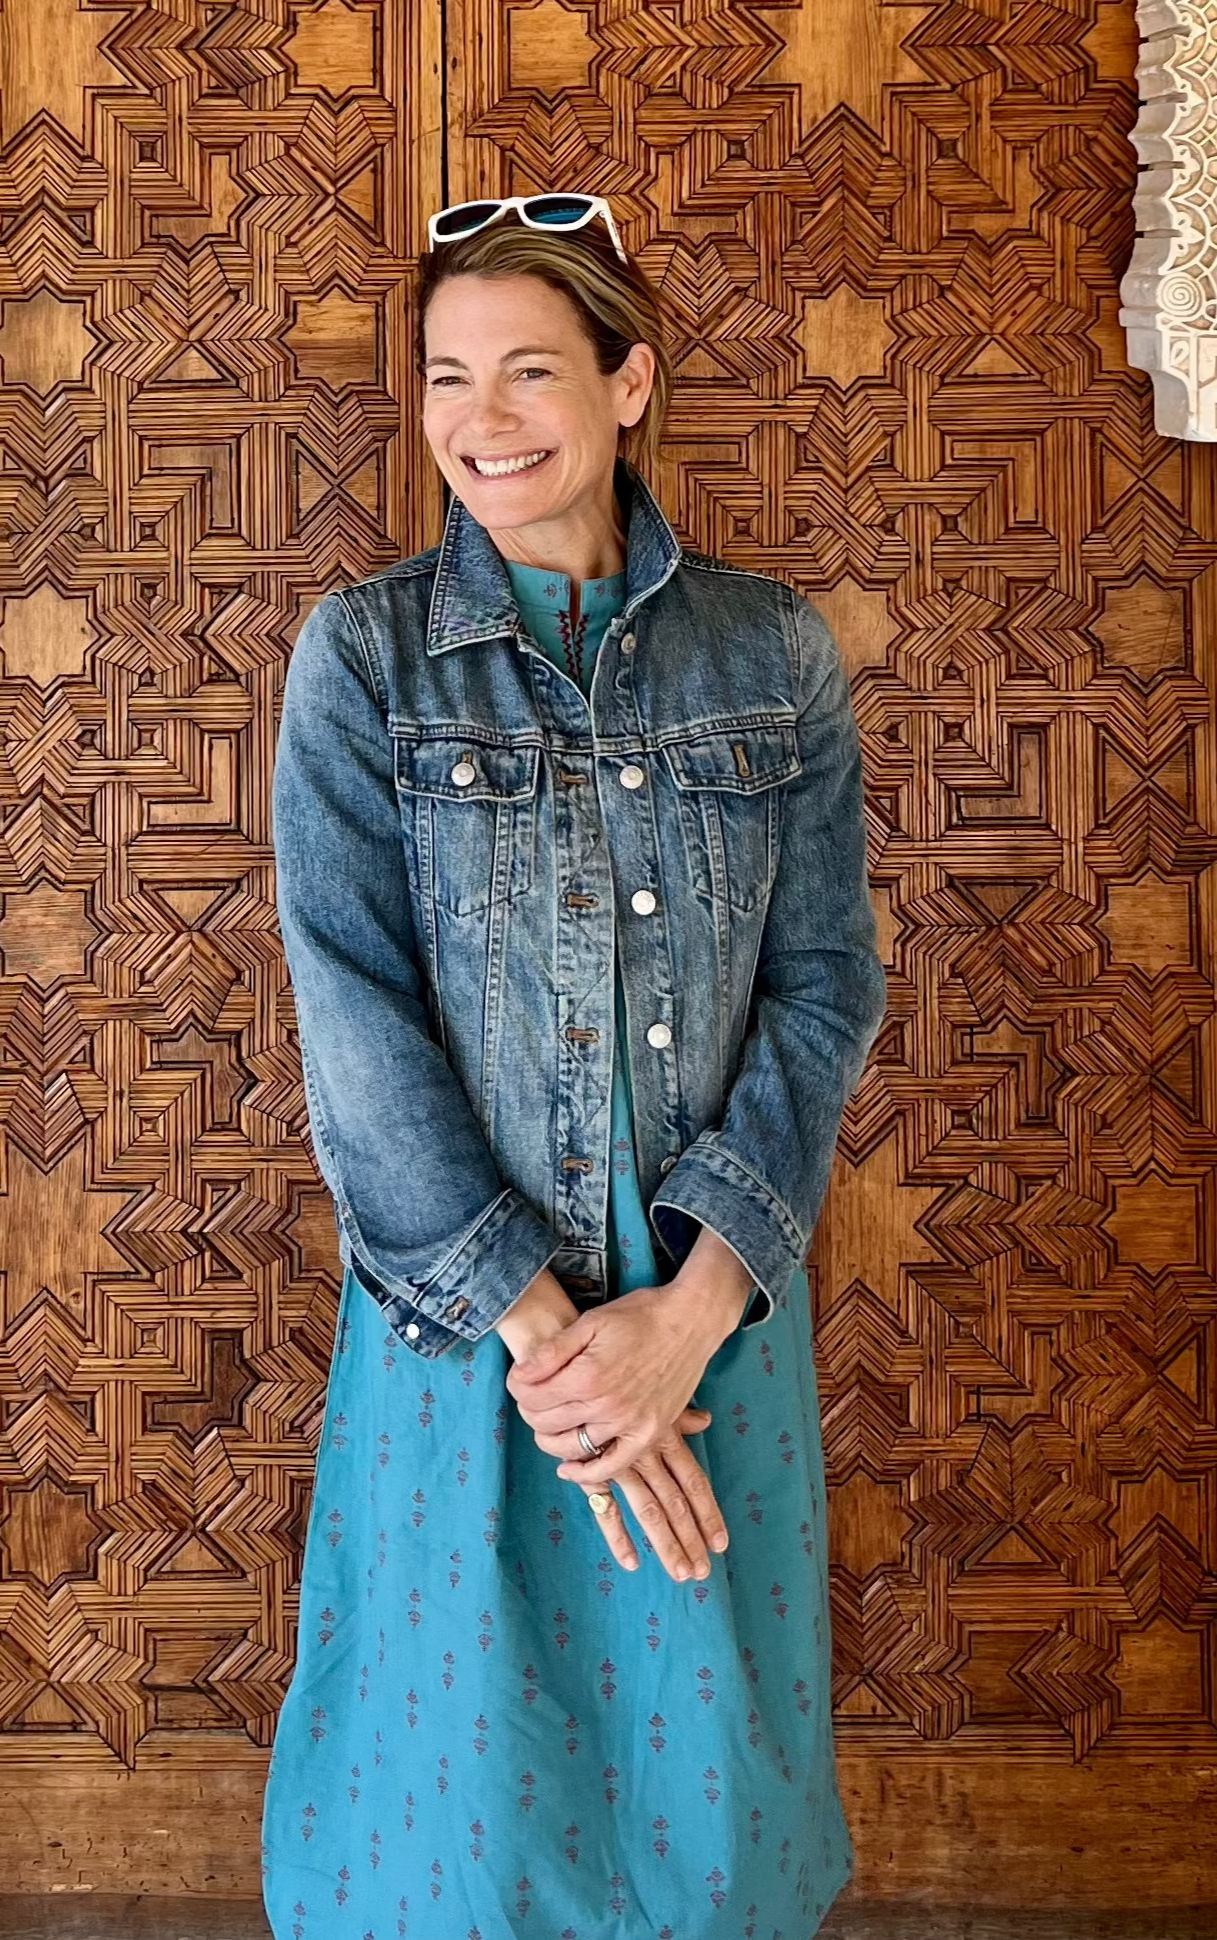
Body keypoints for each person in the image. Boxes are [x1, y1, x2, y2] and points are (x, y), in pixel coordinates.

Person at [260, 191, 887, 1940]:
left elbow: (826, 989)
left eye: (530, 370)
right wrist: (551, 1347)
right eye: (447, 376)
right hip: (465, 1311)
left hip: (713, 1289)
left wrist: (684, 1314)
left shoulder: (771, 653)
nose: (482, 420)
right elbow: (354, 1019)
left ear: (629, 385)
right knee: (446, 1780)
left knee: (711, 1782)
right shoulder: (368, 660)